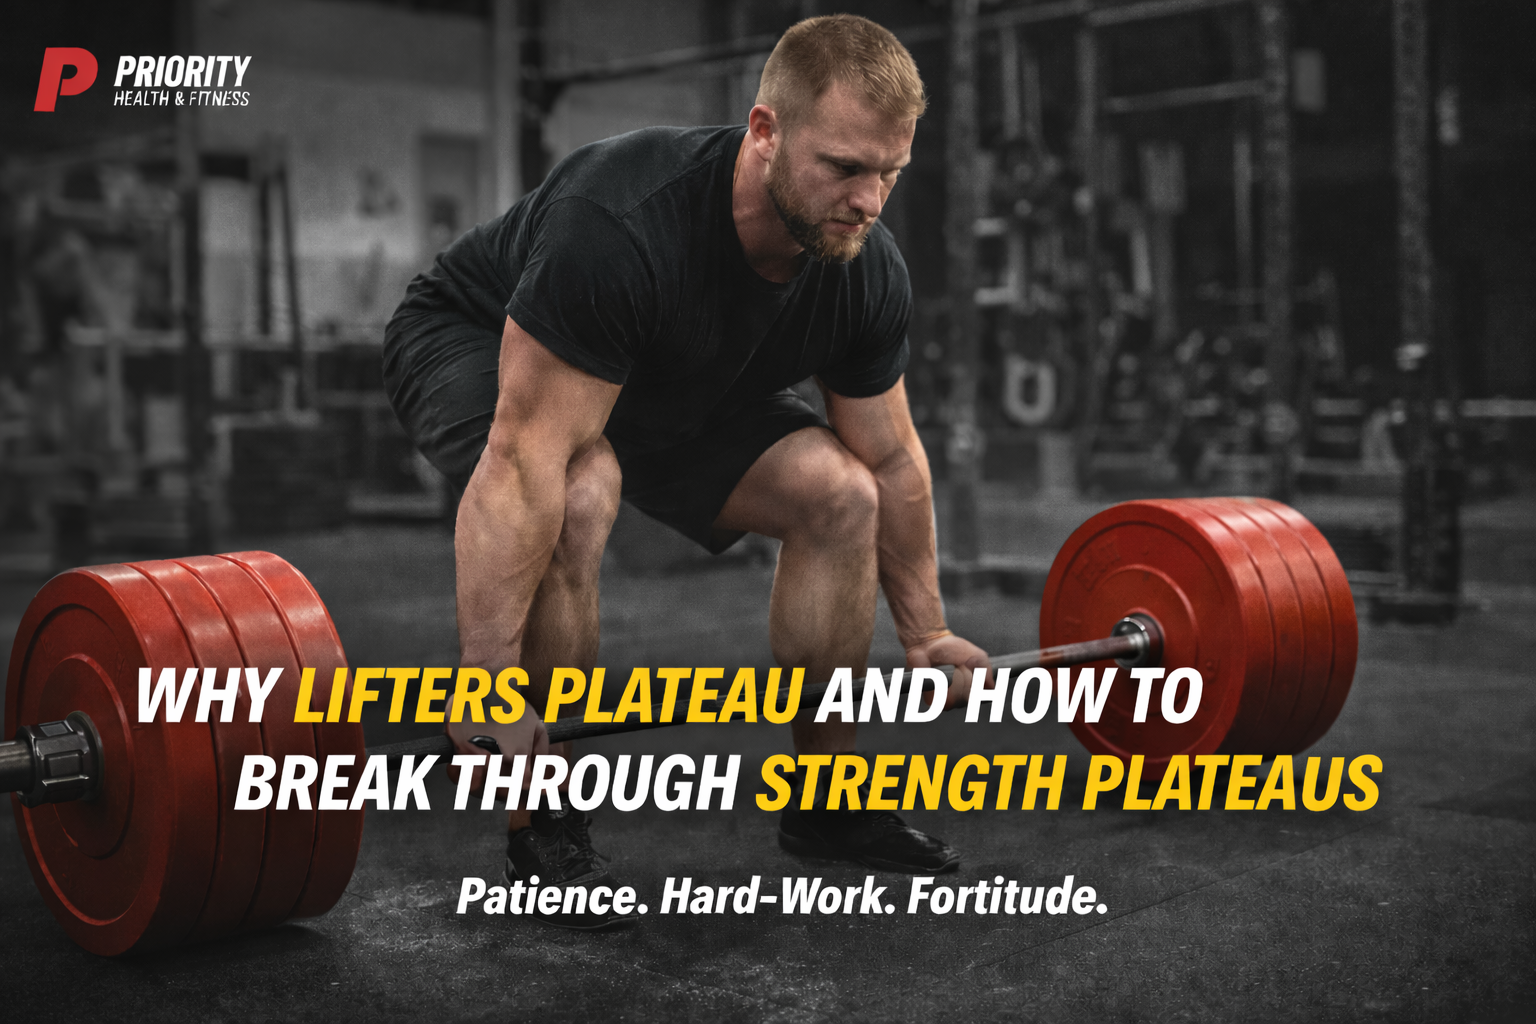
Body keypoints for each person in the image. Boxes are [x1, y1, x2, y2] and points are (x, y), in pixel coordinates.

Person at [383, 14, 990, 929]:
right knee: (578, 490)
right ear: (765, 131)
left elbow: (893, 456)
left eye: (889, 173)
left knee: (839, 493)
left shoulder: (861, 267)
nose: (869, 200)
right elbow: (522, 463)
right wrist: (487, 676)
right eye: (843, 167)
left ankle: (828, 799)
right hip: (477, 338)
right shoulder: (622, 222)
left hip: (667, 378)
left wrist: (927, 632)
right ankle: (540, 817)